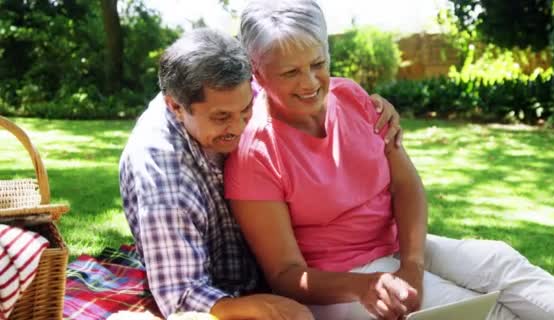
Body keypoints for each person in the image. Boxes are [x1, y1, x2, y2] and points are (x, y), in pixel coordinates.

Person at [224, 1, 554, 319]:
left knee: (500, 261)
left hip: (394, 246)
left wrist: (412, 264)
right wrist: (367, 286)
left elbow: (406, 186)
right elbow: (286, 275)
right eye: (290, 72)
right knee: (476, 310)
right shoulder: (256, 151)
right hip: (340, 281)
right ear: (257, 72)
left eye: (318, 64)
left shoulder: (353, 98)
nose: (309, 82)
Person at [118, 27, 402, 319]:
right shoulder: (161, 172)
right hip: (222, 291)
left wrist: (369, 106)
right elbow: (181, 296)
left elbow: (313, 96)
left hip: (284, 269)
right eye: (222, 118)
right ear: (176, 106)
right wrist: (258, 305)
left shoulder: (235, 89)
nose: (241, 129)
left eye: (246, 110)